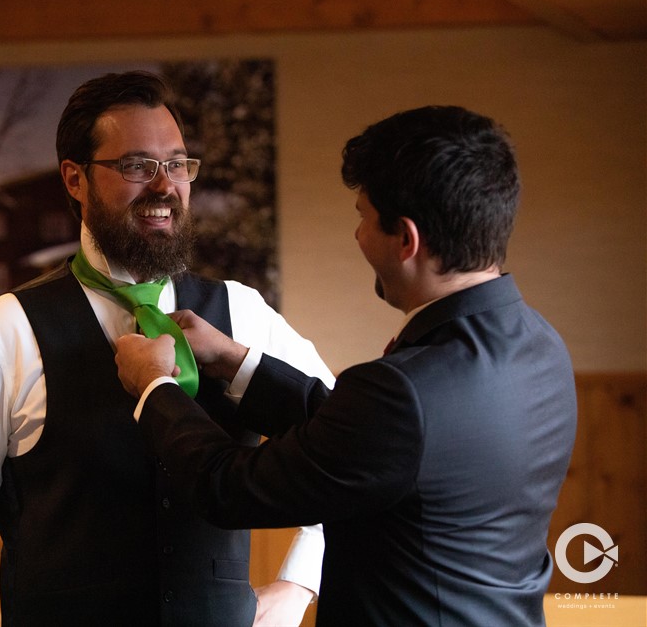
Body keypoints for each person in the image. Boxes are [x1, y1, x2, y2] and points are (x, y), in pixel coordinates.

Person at [0, 70, 336, 626]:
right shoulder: (3, 330)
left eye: (177, 164)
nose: (164, 185)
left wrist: (299, 583)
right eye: (136, 166)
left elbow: (352, 449)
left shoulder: (242, 312)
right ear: (75, 179)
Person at [115, 105, 578, 626]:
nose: (357, 237)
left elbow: (228, 488)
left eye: (362, 216)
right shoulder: (542, 346)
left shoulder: (402, 393)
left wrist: (154, 386)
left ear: (406, 239)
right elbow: (367, 444)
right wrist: (234, 360)